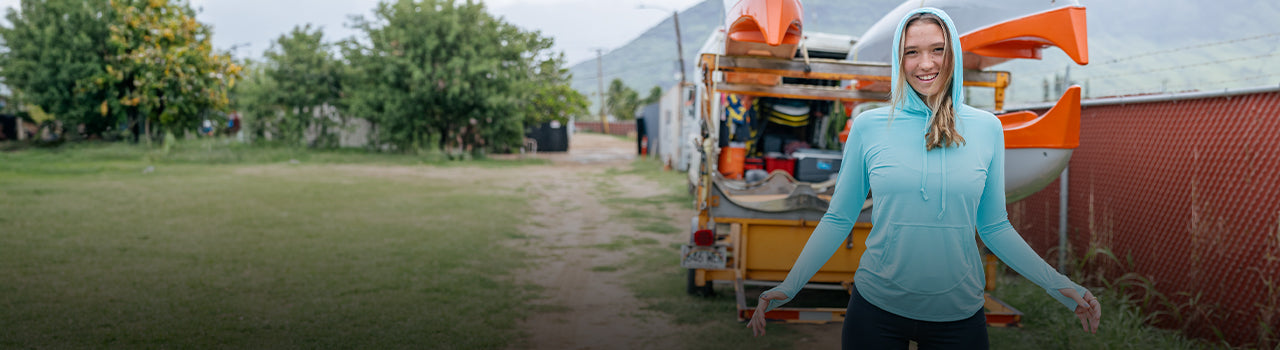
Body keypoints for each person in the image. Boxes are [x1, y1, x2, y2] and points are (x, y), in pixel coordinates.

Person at [746, 8, 1101, 349]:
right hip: (876, 309)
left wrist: (1059, 286)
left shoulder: (988, 128)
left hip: (959, 315)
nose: (925, 63)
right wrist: (790, 285)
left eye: (938, 50)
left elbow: (995, 226)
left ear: (955, 56)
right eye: (911, 52)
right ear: (899, 60)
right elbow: (839, 218)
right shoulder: (870, 126)